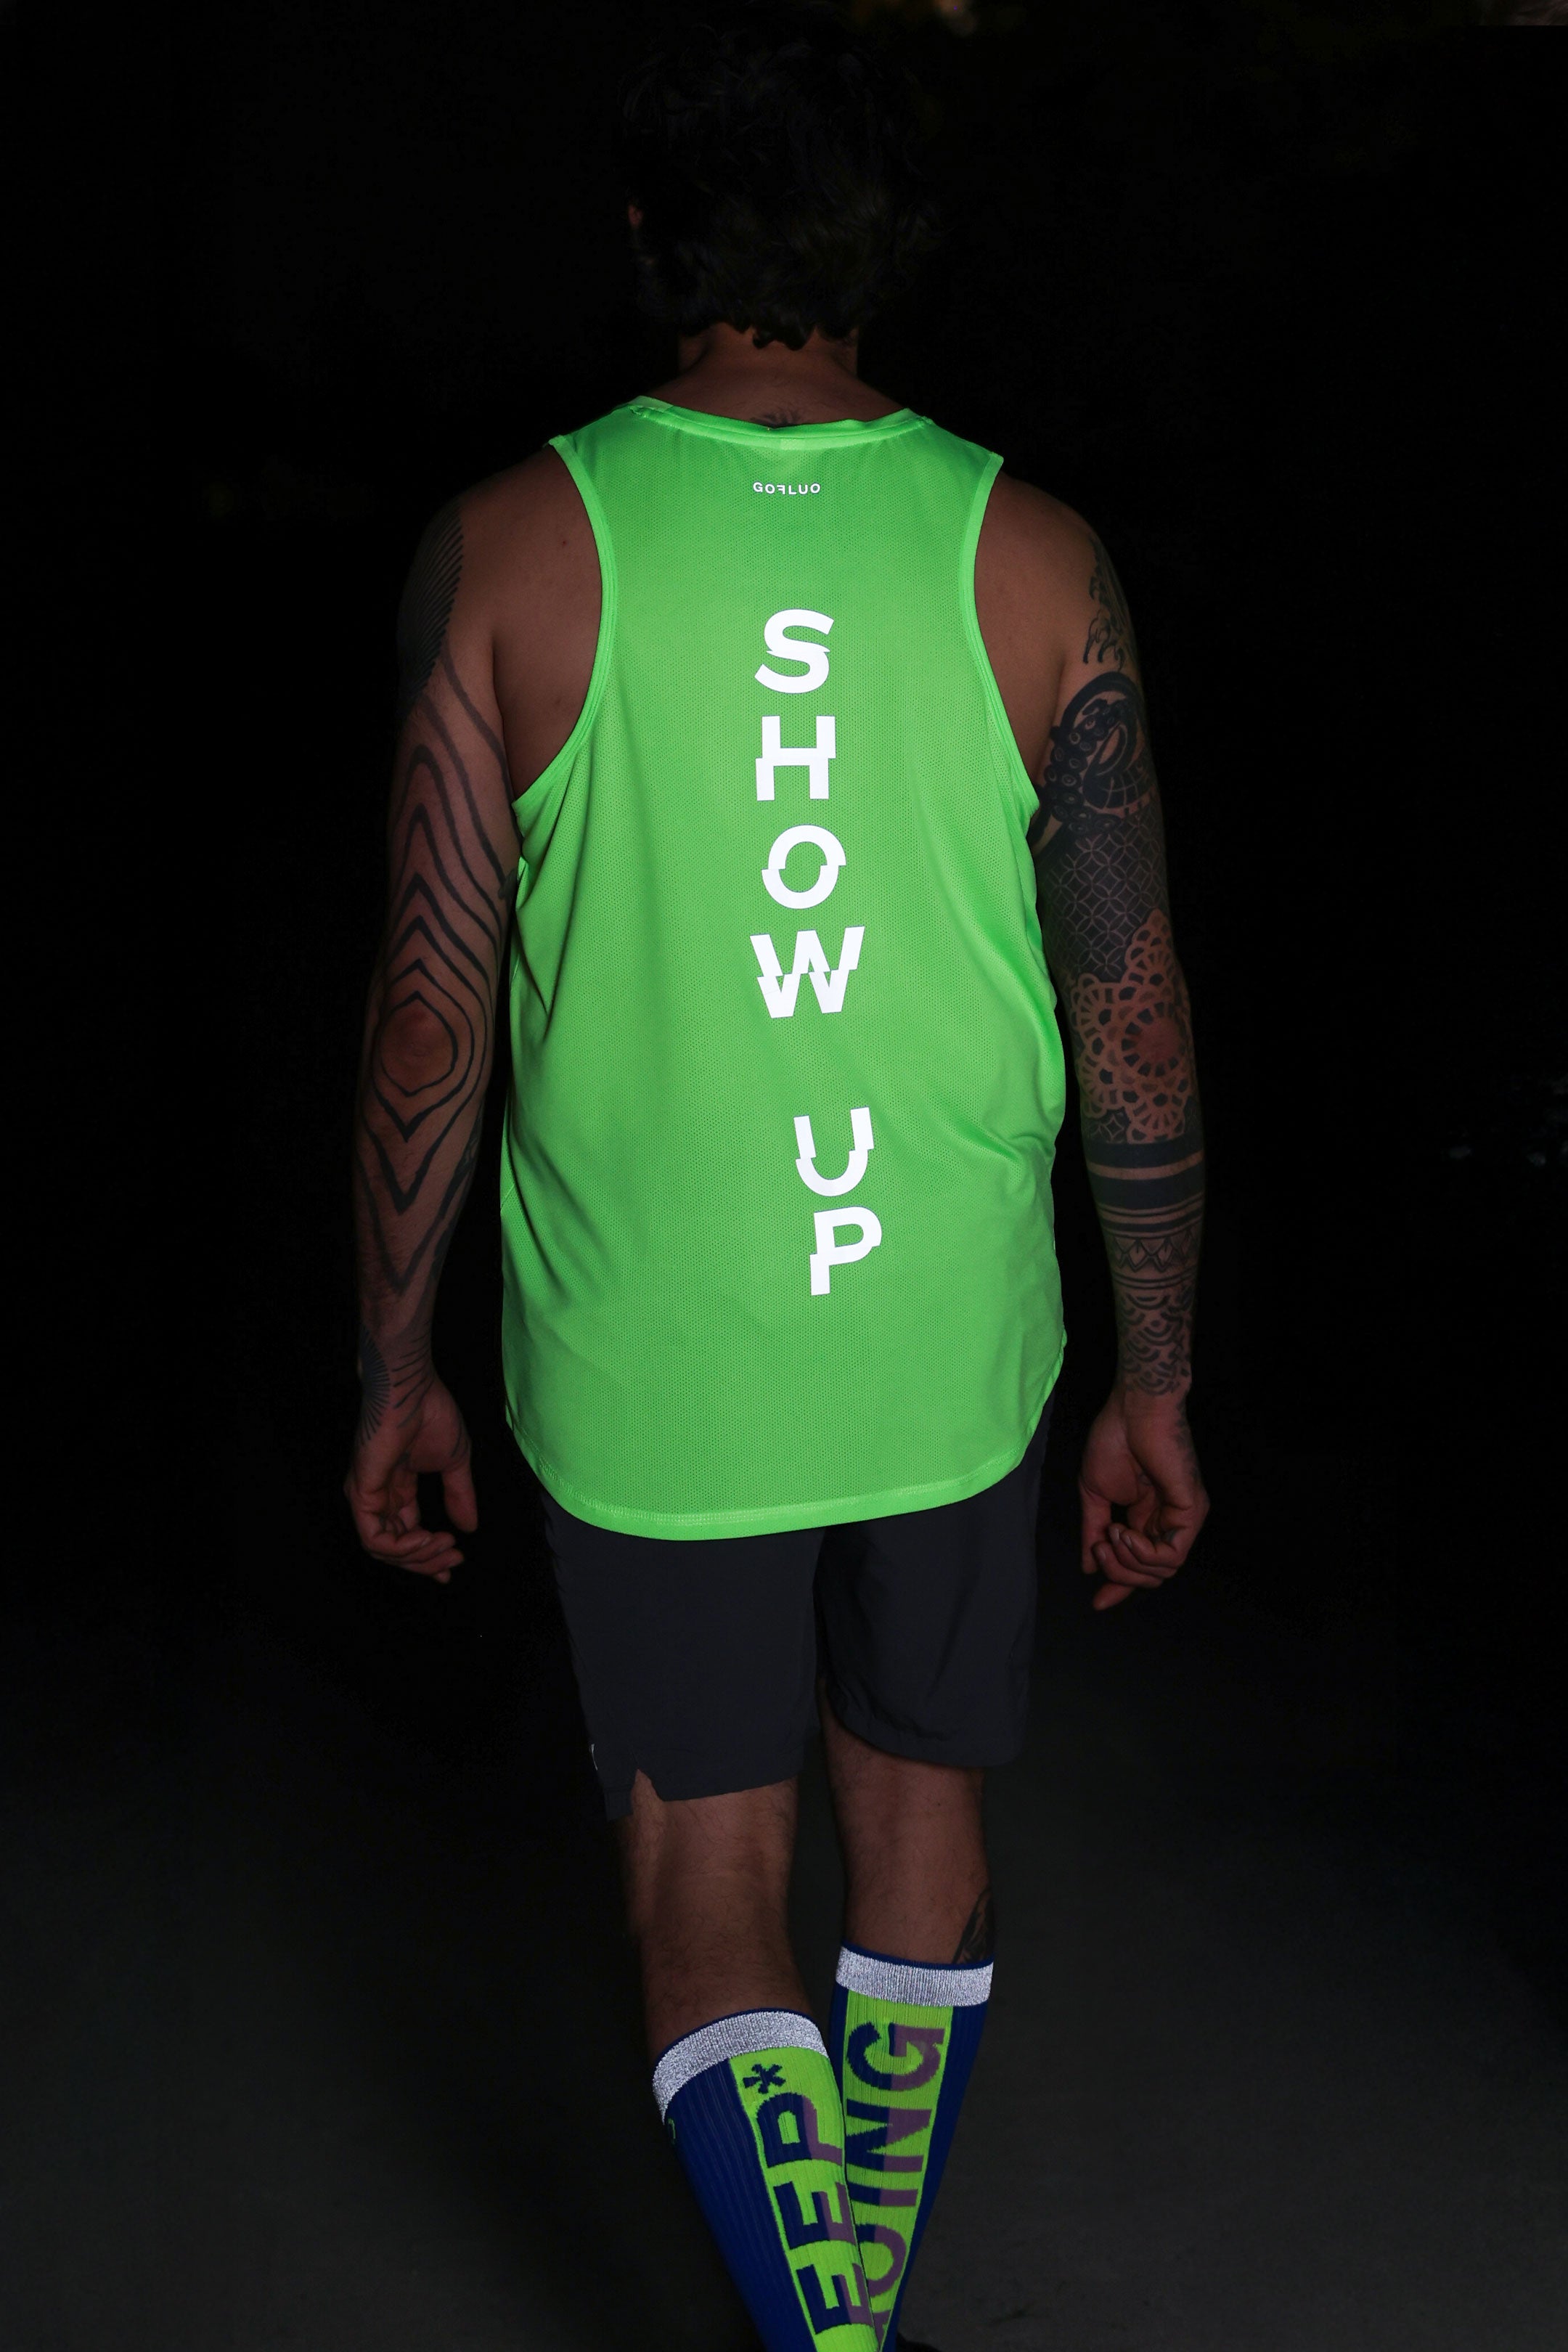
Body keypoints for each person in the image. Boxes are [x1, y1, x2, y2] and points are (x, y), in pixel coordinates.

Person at [343, 6, 1208, 2344]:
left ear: (650, 235)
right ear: (883, 243)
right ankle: (848, 2317)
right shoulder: (1036, 555)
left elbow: (427, 1013)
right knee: (919, 1825)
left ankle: (826, 2335)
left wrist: (394, 1360)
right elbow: (1132, 1014)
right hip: (943, 1334)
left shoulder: (511, 547)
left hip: (660, 1345)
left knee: (702, 1879)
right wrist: (1157, 1375)